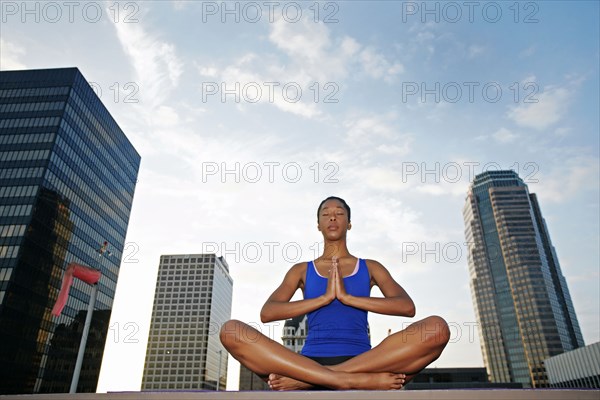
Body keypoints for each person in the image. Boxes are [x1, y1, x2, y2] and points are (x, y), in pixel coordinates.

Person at [220, 196, 450, 391]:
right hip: (306, 362)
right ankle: (346, 380)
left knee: (437, 329)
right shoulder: (301, 270)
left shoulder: (371, 267)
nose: (332, 217)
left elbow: (406, 307)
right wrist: (323, 299)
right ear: (318, 224)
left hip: (366, 362)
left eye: (339, 213)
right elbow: (268, 313)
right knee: (231, 331)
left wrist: (349, 298)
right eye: (325, 214)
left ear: (349, 223)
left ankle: (315, 380)